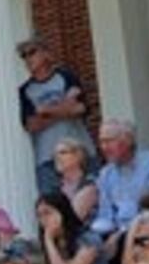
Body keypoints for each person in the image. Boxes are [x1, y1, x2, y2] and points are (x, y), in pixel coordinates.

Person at [17, 36, 96, 195]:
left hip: (81, 152)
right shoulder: (25, 90)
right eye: (23, 55)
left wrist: (45, 110)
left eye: (31, 52)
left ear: (46, 53)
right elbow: (31, 124)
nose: (27, 58)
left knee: (92, 200)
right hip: (47, 159)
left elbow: (80, 108)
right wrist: (64, 107)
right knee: (53, 206)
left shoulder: (66, 76)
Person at [91, 119, 149, 248]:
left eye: (109, 141)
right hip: (117, 235)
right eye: (101, 142)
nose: (104, 148)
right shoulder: (105, 174)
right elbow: (105, 215)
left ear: (128, 140)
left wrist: (122, 233)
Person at [35, 191, 104, 264]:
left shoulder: (88, 239)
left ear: (62, 212)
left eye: (47, 213)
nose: (43, 220)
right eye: (39, 215)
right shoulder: (50, 242)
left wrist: (48, 240)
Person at [52, 137, 98, 224]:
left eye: (63, 152)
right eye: (54, 155)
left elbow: (73, 220)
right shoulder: (56, 188)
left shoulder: (89, 185)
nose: (57, 157)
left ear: (78, 156)